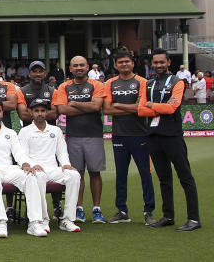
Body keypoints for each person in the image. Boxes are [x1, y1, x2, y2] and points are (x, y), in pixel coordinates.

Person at [138, 49, 201, 231]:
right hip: (153, 136)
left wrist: (152, 106)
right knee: (164, 178)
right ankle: (168, 215)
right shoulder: (148, 83)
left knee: (185, 176)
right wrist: (158, 107)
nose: (158, 65)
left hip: (172, 135)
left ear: (168, 63)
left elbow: (172, 108)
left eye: (161, 62)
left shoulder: (177, 82)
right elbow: (141, 110)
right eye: (155, 62)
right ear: (151, 64)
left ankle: (194, 219)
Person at [0, 101, 46, 238]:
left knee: (31, 177)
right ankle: (1, 222)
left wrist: (25, 165)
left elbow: (18, 153)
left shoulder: (10, 133)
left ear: (2, 113)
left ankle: (35, 222)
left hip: (10, 169)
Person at [102, 49, 155, 225]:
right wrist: (130, 107)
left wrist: (119, 105)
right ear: (116, 65)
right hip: (119, 136)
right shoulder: (110, 83)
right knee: (121, 175)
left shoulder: (142, 82)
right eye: (121, 62)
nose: (124, 64)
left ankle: (149, 211)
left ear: (133, 63)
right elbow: (107, 110)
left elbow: (141, 108)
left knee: (145, 174)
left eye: (127, 61)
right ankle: (122, 211)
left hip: (140, 135)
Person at [52, 55, 107, 224]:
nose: (78, 68)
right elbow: (62, 109)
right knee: (77, 174)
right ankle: (79, 208)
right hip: (74, 136)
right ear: (70, 68)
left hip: (94, 135)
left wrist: (75, 103)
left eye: (82, 65)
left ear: (88, 67)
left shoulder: (96, 85)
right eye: (75, 65)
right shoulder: (64, 86)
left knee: (95, 173)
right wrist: (87, 106)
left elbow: (97, 106)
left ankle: (97, 209)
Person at [18, 100, 82, 233]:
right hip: (34, 169)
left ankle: (67, 220)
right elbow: (22, 154)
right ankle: (43, 220)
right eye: (36, 111)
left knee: (74, 175)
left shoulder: (56, 130)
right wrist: (31, 165)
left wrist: (66, 165)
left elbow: (62, 152)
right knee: (39, 175)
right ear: (31, 112)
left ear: (47, 112)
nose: (40, 114)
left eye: (42, 111)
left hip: (53, 168)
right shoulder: (25, 131)